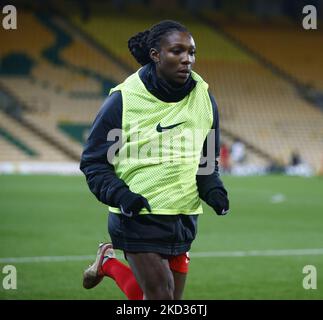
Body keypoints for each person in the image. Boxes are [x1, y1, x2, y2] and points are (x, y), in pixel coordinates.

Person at [80, 20, 229, 300]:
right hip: (136, 216)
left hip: (184, 216)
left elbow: (207, 159)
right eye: (177, 51)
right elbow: (94, 163)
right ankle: (110, 262)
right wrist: (123, 196)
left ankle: (108, 264)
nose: (187, 59)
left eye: (192, 52)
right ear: (155, 54)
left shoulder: (205, 98)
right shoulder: (123, 100)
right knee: (161, 297)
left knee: (165, 300)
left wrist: (213, 189)